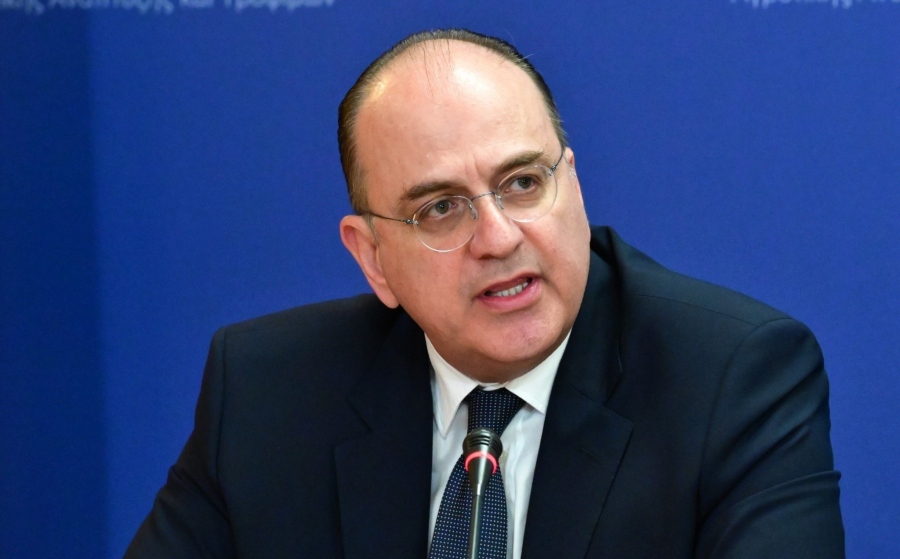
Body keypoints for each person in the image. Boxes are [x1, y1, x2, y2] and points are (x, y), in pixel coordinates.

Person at [125, 29, 844, 558]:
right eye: (440, 207)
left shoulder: (731, 380)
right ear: (373, 258)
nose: (498, 238)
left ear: (573, 185)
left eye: (523, 183)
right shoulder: (267, 392)